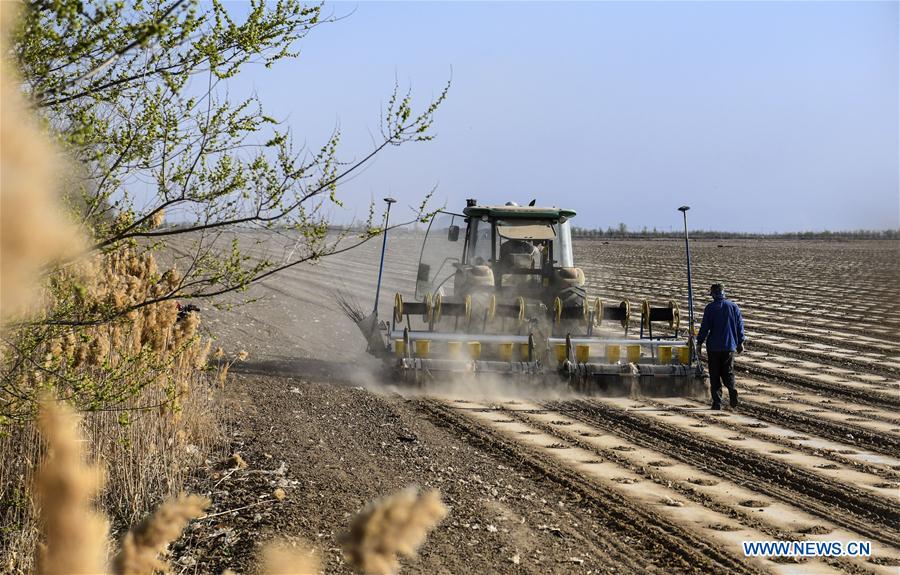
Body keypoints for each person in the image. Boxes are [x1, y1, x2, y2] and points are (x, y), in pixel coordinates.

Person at [696, 283, 746, 410]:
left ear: (713, 294)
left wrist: (699, 342)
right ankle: (732, 390)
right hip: (729, 346)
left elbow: (705, 327)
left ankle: (717, 403)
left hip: (714, 347)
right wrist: (741, 342)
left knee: (715, 375)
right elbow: (740, 325)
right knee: (728, 372)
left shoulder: (710, 308)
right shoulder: (734, 307)